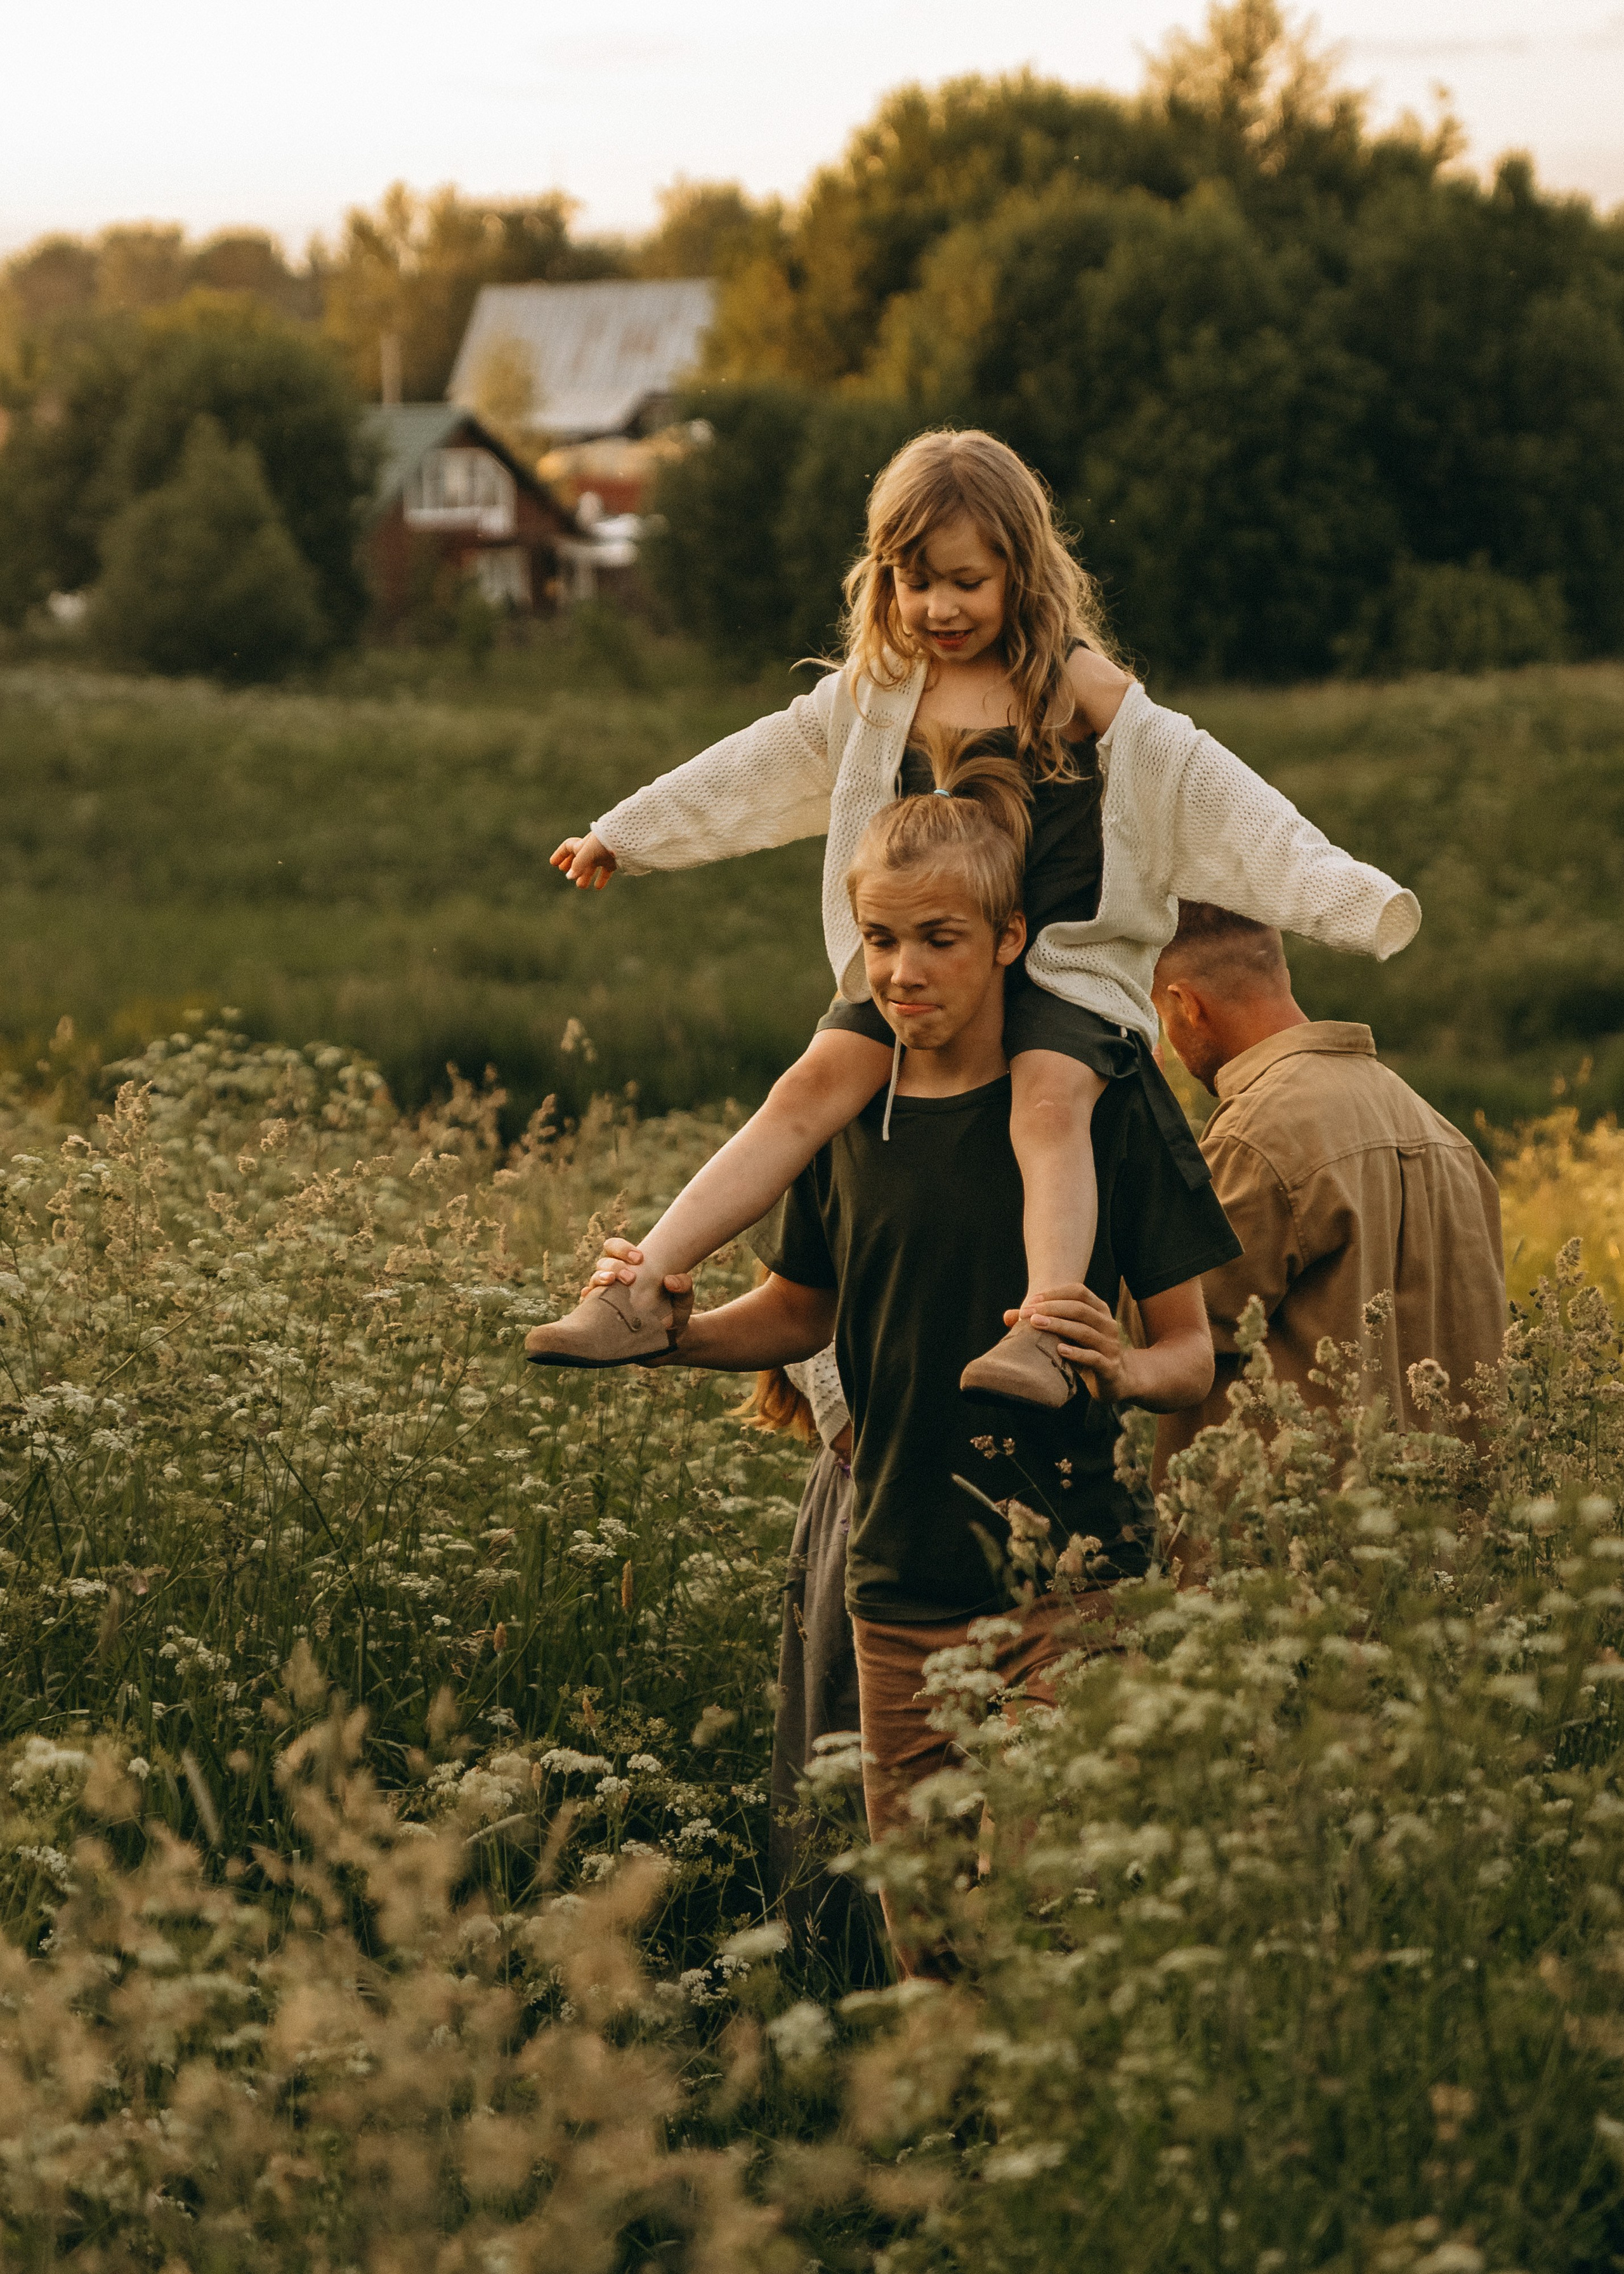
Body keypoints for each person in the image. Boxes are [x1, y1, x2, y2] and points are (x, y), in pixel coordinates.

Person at [528, 426, 1419, 1410]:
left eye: (964, 581)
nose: (939, 608)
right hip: (917, 969)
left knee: (1048, 1105)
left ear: (1020, 573)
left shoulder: (1081, 695)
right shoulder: (875, 700)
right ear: (884, 580)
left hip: (1057, 980)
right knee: (808, 1087)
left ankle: (1045, 1324)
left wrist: (1356, 900)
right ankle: (644, 1288)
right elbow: (760, 764)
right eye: (914, 582)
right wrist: (629, 830)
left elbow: (1225, 801)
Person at [547, 757, 1240, 1971]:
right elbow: (803, 1310)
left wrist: (1120, 1369)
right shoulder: (849, 1109)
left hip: (1069, 1571)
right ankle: (946, 2150)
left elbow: (1193, 1353)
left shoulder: (1105, 1099)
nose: (905, 972)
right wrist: (683, 1334)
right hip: (901, 1574)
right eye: (881, 940)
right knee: (931, 1940)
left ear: (1010, 938)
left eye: (940, 940)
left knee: (1040, 1903)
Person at [1150, 901, 1507, 1467]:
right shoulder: (1446, 1135)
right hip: (1449, 1538)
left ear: (1184, 1005)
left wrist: (1133, 1120)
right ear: (1280, 975)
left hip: (1290, 1543)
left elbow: (1151, 1336)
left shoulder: (1254, 1137)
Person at [736, 1346, 884, 1982]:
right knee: (851, 1743)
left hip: (893, 1485)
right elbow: (829, 1370)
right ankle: (848, 1969)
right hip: (878, 1492)